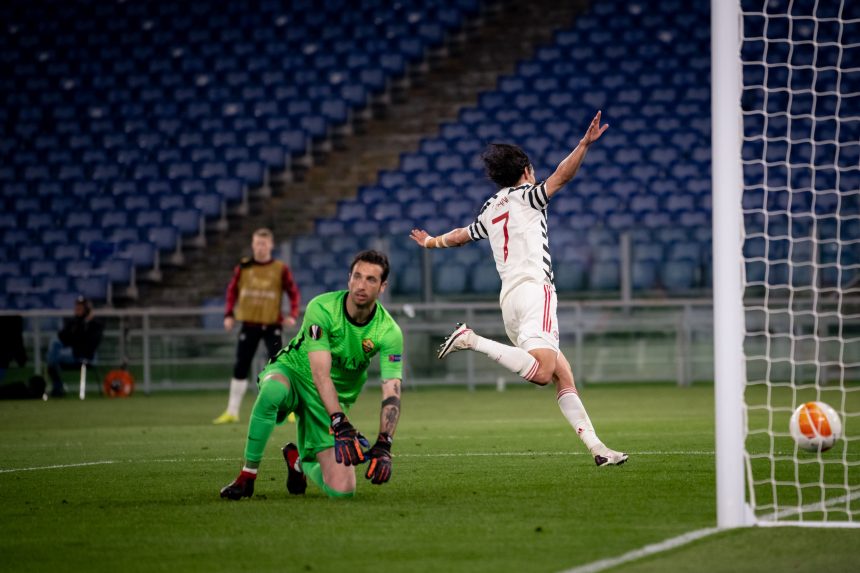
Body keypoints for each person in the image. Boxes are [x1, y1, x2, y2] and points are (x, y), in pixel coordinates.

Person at [409, 110, 627, 467]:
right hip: (534, 291)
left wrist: (431, 242)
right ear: (525, 170)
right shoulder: (527, 195)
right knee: (543, 372)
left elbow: (462, 236)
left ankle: (598, 450)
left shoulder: (490, 207)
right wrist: (583, 145)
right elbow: (562, 176)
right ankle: (470, 339)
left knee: (562, 373)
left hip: (509, 300)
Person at [220, 250, 403, 500]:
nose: (361, 285)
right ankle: (247, 476)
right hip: (295, 372)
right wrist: (340, 421)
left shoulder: (389, 331)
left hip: (332, 397)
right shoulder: (322, 308)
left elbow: (391, 391)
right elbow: (320, 373)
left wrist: (384, 443)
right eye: (357, 276)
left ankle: (299, 461)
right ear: (349, 278)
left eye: (371, 280)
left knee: (343, 492)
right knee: (273, 391)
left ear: (383, 287)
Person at [213, 228, 301, 424]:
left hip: (272, 325)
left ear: (271, 245)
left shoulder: (280, 268)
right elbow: (231, 292)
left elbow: (293, 292)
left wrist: (293, 314)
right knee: (240, 366)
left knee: (280, 367)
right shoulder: (243, 268)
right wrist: (228, 314)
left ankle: (289, 409)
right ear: (253, 245)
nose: (260, 247)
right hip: (249, 324)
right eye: (257, 243)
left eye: (264, 243)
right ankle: (232, 411)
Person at [46, 296, 104, 398]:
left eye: (80, 308)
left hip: (84, 356)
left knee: (51, 359)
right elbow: (63, 336)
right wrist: (79, 325)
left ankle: (57, 388)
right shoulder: (72, 322)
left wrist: (85, 323)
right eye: (76, 308)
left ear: (87, 310)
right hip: (70, 353)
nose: (77, 310)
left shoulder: (95, 324)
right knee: (54, 342)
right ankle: (56, 384)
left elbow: (89, 344)